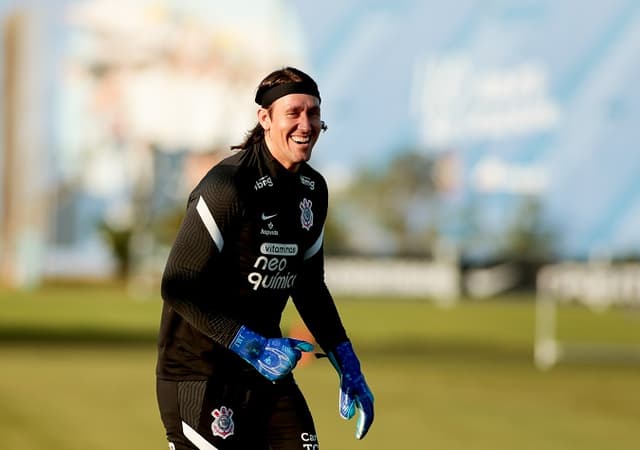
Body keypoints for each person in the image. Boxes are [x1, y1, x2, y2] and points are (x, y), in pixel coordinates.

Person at [156, 66, 374, 450]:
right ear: (265, 118)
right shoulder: (227, 186)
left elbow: (309, 287)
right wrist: (252, 346)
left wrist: (347, 360)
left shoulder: (313, 190)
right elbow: (177, 285)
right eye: (293, 112)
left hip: (267, 377)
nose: (305, 124)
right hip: (201, 376)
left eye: (313, 113)